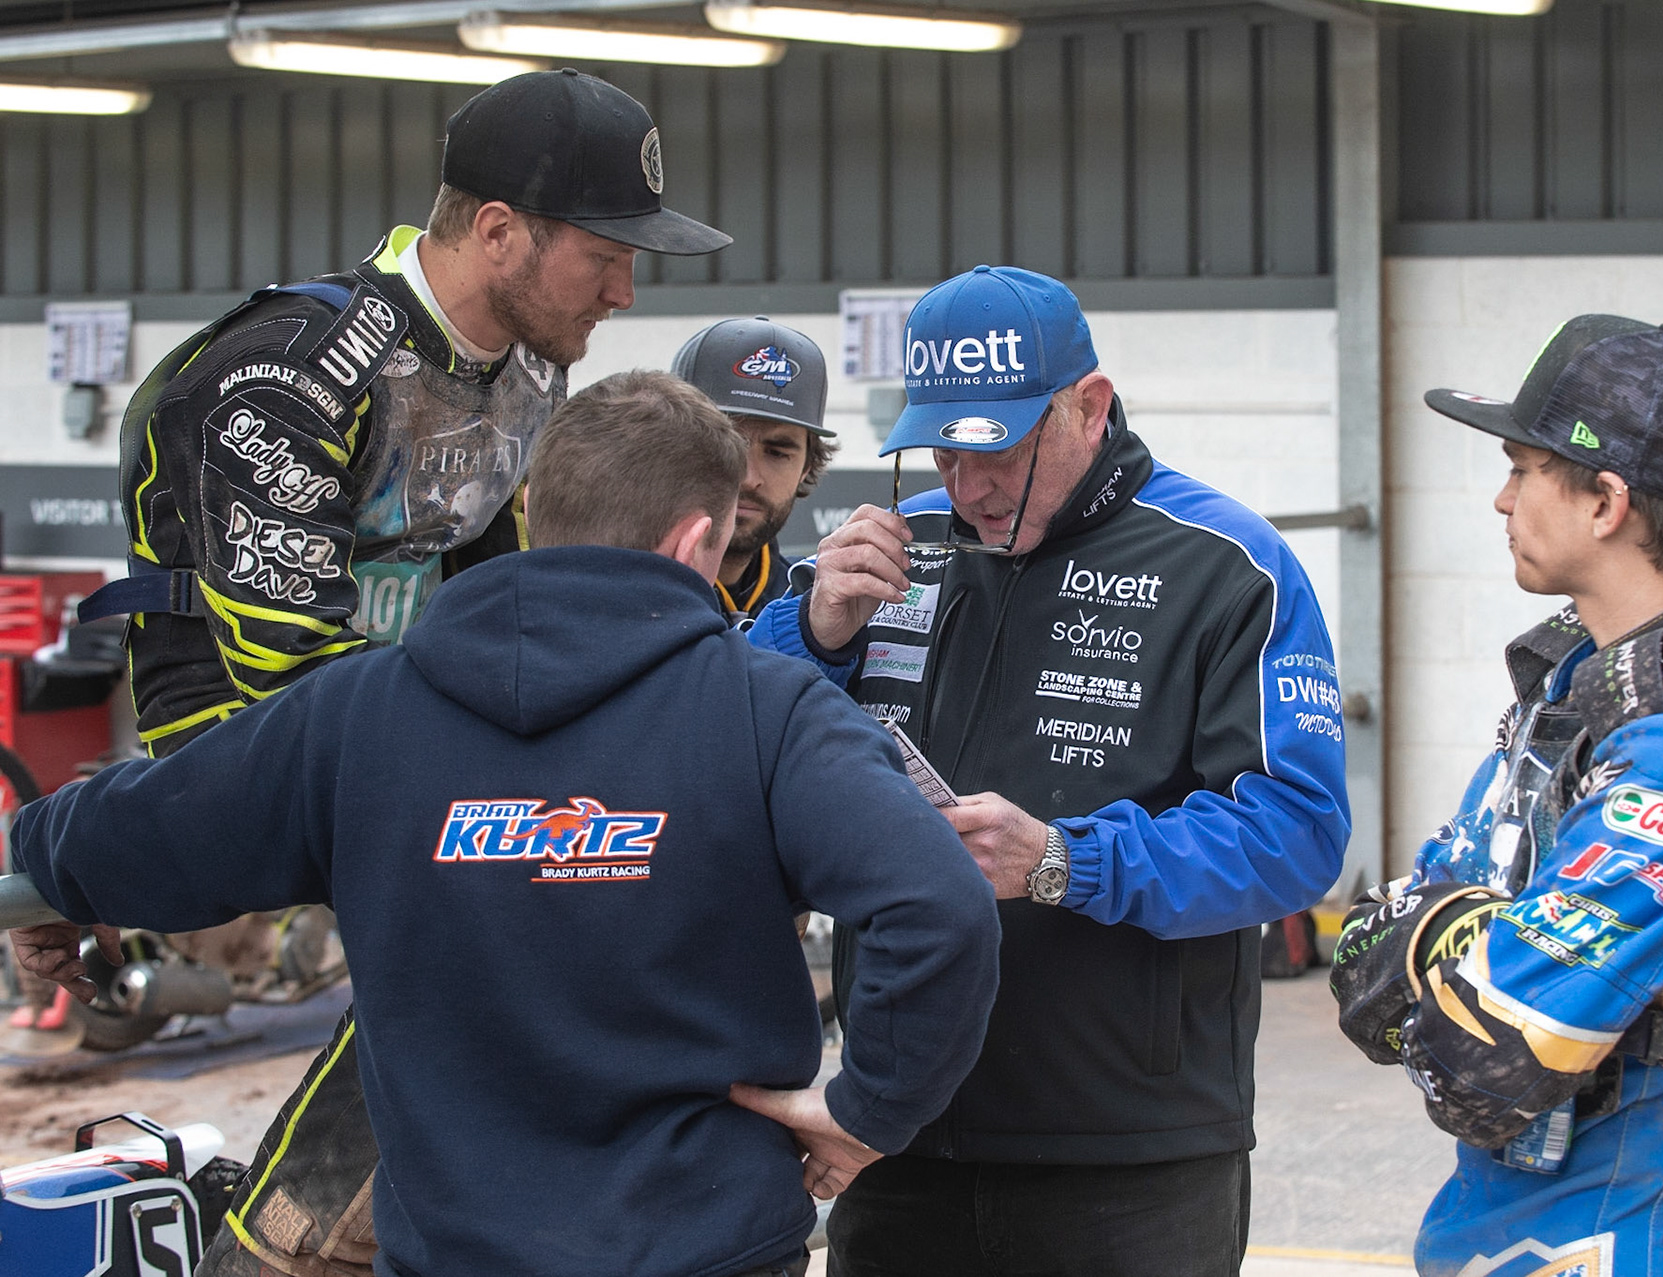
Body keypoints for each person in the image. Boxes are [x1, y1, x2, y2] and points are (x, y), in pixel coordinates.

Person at [10, 370, 1001, 1277]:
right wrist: (866, 1110)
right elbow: (943, 906)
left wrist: (40, 878)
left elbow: (141, 827)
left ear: (533, 514)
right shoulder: (768, 712)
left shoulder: (357, 714)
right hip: (706, 1247)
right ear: (697, 538)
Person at [48, 67, 732, 1277]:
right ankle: (279, 1247)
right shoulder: (291, 372)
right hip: (243, 716)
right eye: (605, 255)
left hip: (403, 705)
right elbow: (289, 676)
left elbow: (509, 595)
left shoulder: (527, 368)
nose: (628, 291)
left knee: (601, 850)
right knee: (498, 888)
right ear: (498, 231)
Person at [748, 264, 1351, 1276]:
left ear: (1090, 406)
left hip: (1131, 1151)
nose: (970, 485)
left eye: (1001, 451)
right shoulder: (900, 549)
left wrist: (1065, 859)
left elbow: (1299, 834)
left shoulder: (1226, 564)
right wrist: (810, 635)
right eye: (945, 450)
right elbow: (721, 735)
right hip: (901, 1126)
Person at [1329, 315, 1663, 1277]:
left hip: (1623, 1244)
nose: (1500, 499)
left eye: (1522, 467)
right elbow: (1370, 967)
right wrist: (1445, 939)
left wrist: (1436, 943)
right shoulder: (1574, 692)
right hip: (1499, 1234)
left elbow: (1483, 1062)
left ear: (1605, 501)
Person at [672, 317, 839, 622]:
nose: (748, 479)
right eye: (725, 445)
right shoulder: (620, 594)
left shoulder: (815, 607)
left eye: (777, 452)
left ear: (807, 466)